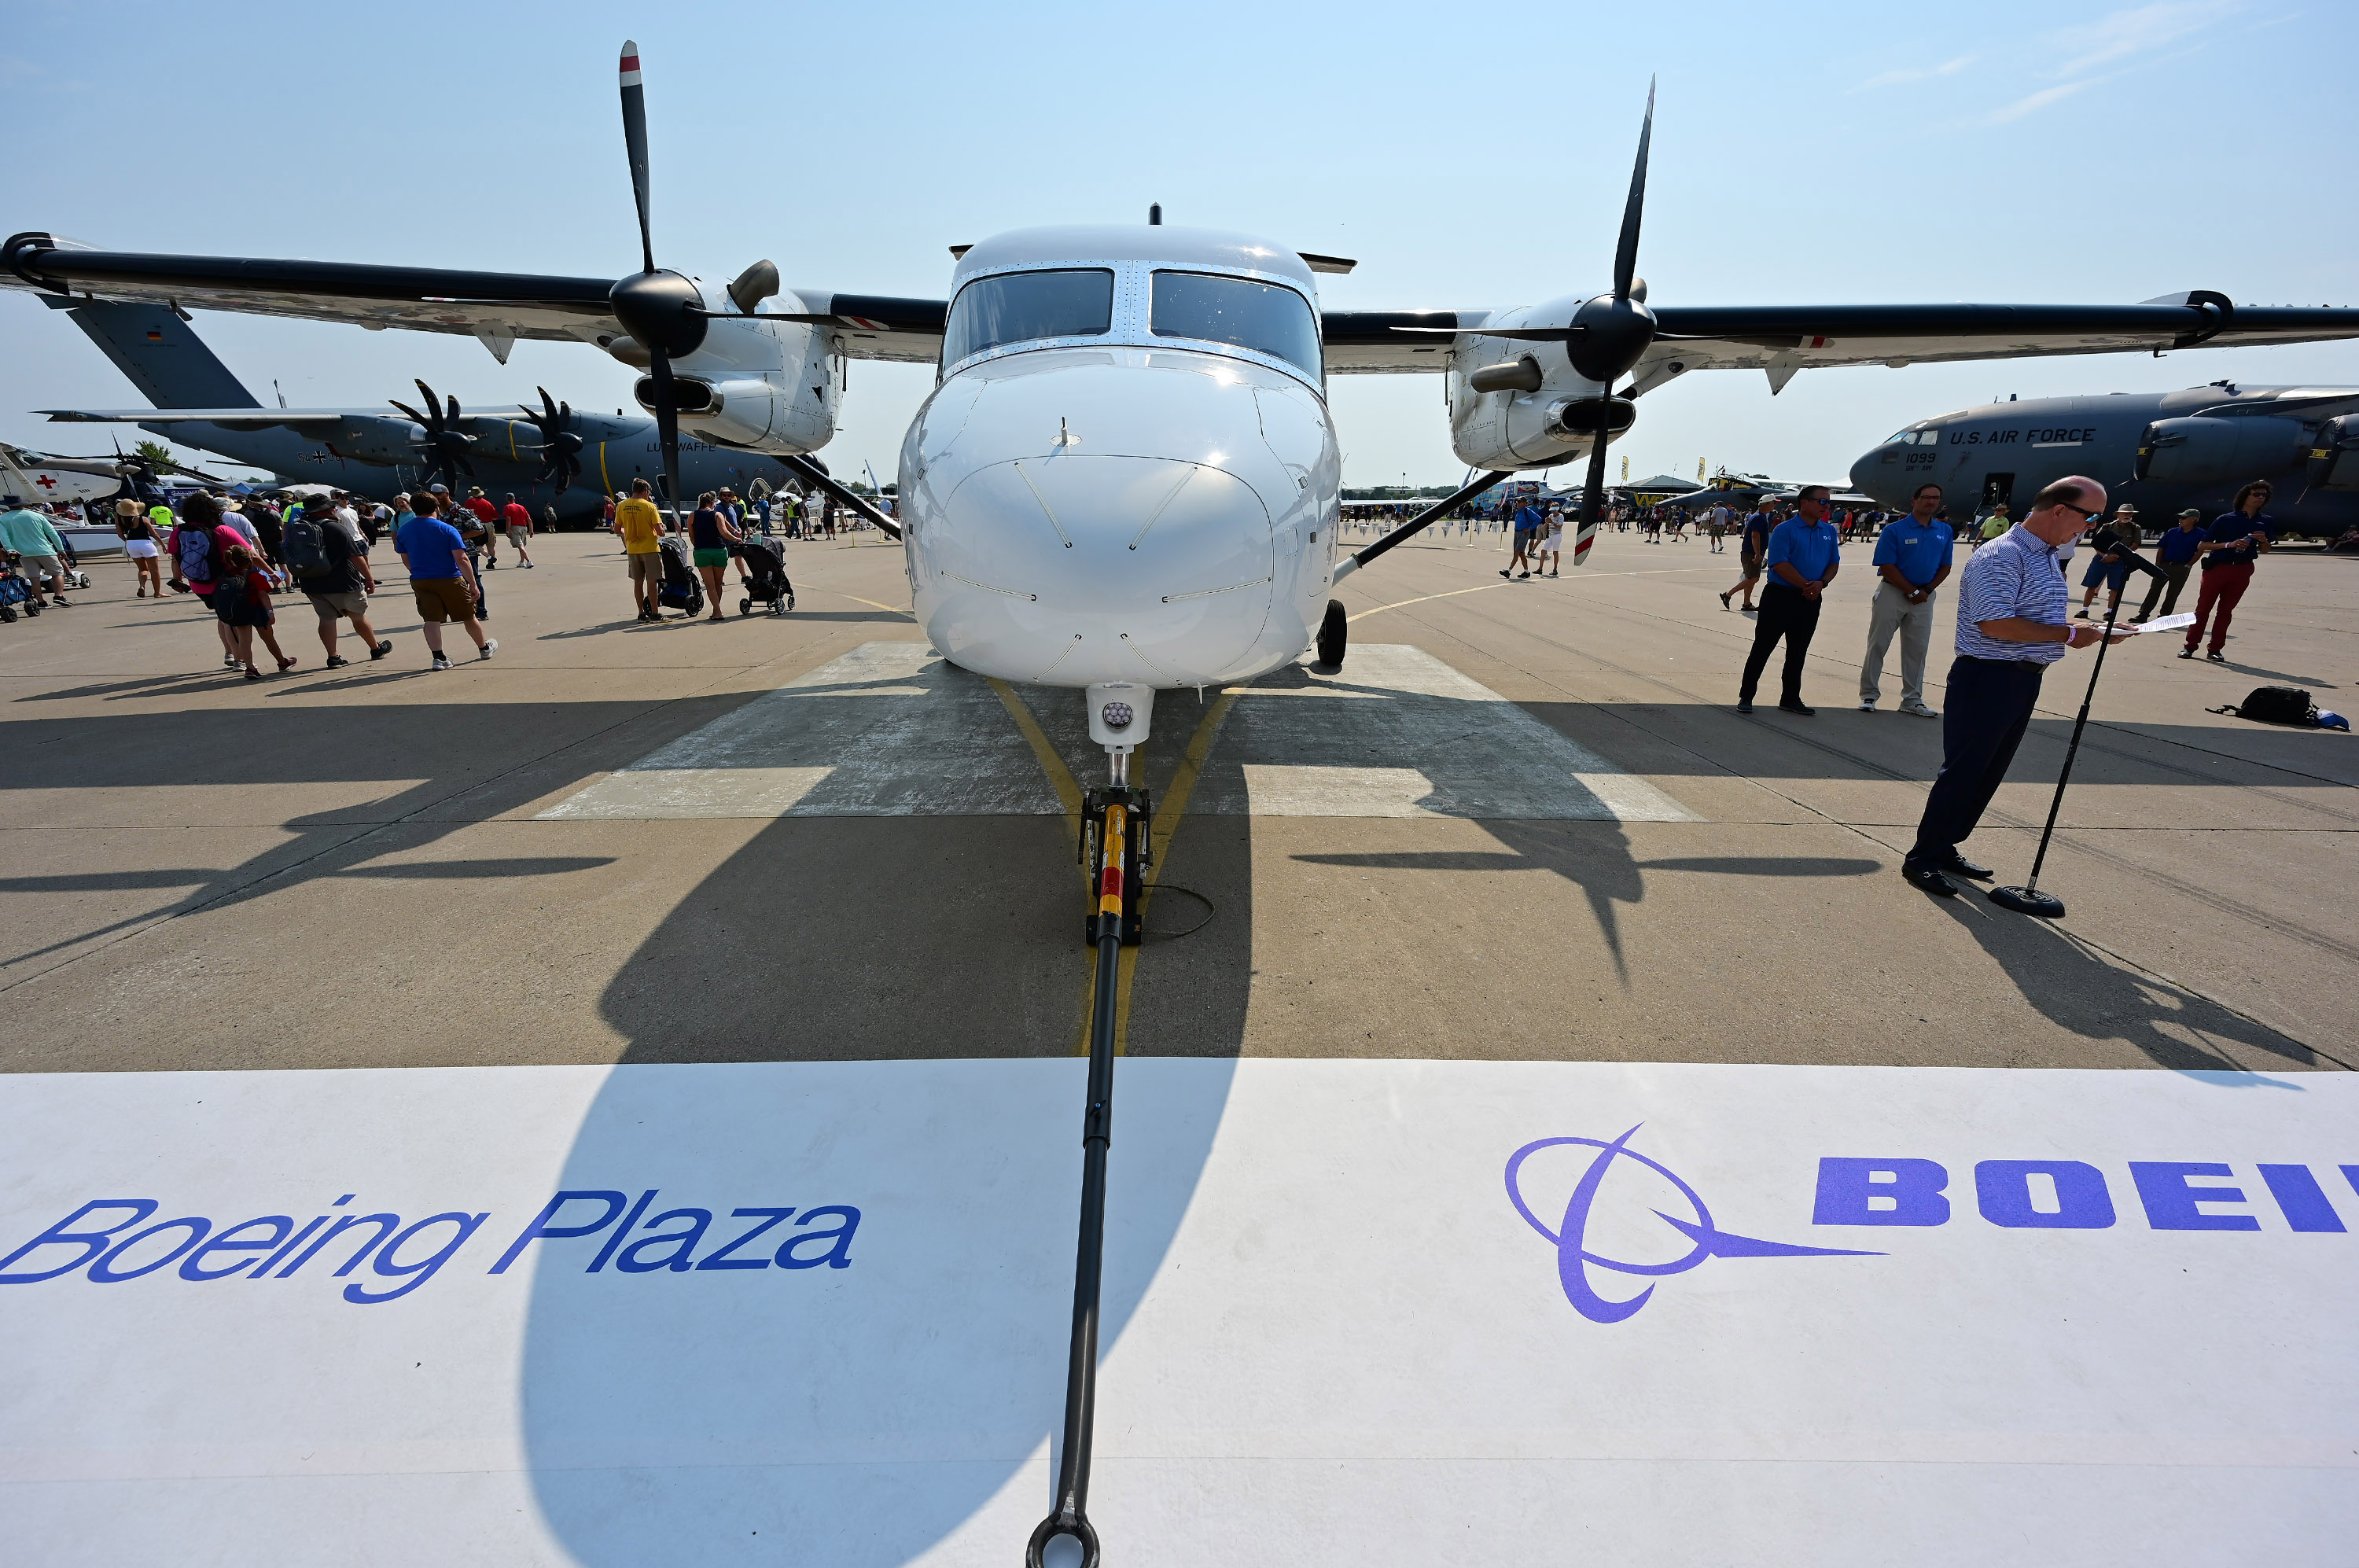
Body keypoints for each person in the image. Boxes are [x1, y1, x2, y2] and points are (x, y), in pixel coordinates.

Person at [1901, 476, 2129, 896]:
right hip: (1987, 677)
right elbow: (1995, 623)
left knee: (1989, 771)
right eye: (2090, 516)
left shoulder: (2045, 554)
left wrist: (2093, 627)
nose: (2093, 526)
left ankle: (1946, 845)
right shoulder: (2003, 555)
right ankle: (1922, 857)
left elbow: (2039, 618)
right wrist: (2070, 635)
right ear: (2060, 510)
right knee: (1964, 771)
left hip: (2021, 679)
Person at [1736, 486, 1841, 715]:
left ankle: (1790, 698)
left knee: (1798, 651)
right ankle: (1747, 695)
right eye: (1822, 502)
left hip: (1811, 598)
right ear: (1805, 502)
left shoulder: (1829, 531)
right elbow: (1780, 564)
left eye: (1828, 502)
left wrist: (1821, 584)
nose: (1827, 506)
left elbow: (1834, 562)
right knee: (1763, 647)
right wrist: (1807, 585)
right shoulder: (1785, 530)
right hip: (1780, 597)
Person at [1858, 483, 1953, 716]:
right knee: (1878, 644)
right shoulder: (1895, 530)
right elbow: (1886, 565)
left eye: (1936, 498)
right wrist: (1911, 591)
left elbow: (1945, 566)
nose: (1931, 502)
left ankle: (1912, 699)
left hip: (1924, 597)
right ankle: (1869, 695)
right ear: (1914, 500)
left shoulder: (1944, 531)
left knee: (1917, 649)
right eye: (1926, 497)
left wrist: (1926, 591)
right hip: (1893, 593)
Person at [396, 492, 495, 670]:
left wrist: (416, 572)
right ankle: (483, 648)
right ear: (436, 508)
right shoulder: (447, 529)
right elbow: (462, 559)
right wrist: (472, 584)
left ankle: (439, 658)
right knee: (468, 615)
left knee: (431, 619)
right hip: (450, 577)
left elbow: (405, 558)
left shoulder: (404, 530)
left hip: (421, 579)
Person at [2181, 479, 2275, 664]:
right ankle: (2190, 647)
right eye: (2256, 494)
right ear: (2245, 497)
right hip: (2218, 568)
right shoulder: (2226, 519)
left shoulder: (2266, 521)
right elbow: (2203, 544)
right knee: (2203, 609)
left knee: (2226, 611)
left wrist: (2264, 541)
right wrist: (2229, 545)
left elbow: (2266, 550)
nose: (2260, 498)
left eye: (2264, 495)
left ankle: (2215, 649)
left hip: (2243, 569)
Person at [290, 496, 392, 666]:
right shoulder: (333, 527)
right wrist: (369, 579)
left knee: (326, 619)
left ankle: (333, 657)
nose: (335, 510)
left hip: (311, 581)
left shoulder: (297, 527)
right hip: (342, 581)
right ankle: (375, 648)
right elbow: (355, 556)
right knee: (358, 616)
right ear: (324, 510)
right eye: (332, 507)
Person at [167, 491, 252, 667]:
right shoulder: (221, 530)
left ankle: (229, 653)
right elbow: (248, 552)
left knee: (222, 617)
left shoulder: (178, 532)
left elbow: (175, 557)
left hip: (198, 583)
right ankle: (239, 659)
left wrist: (177, 580)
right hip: (226, 582)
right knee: (231, 620)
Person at [211, 540, 295, 679]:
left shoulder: (226, 576)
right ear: (249, 560)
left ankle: (249, 668)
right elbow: (263, 595)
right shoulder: (255, 576)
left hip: (239, 612)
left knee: (245, 640)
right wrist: (270, 612)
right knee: (268, 638)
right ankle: (282, 662)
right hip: (257, 610)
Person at [0, 495, 72, 607]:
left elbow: (4, 537)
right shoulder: (36, 515)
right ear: (22, 504)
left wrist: (10, 549)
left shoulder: (3, 519)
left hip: (22, 553)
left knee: (34, 577)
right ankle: (59, 596)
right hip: (44, 549)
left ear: (8, 505)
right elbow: (52, 532)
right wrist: (60, 549)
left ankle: (41, 602)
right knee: (57, 572)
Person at [2136, 506, 2206, 622]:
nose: (2180, 520)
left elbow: (2200, 550)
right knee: (2154, 590)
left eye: (2183, 518)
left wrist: (2189, 564)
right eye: (2180, 518)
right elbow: (2162, 547)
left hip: (2181, 567)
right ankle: (2143, 614)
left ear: (2193, 519)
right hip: (2165, 565)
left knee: (2173, 593)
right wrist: (2158, 564)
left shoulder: (2200, 534)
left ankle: (2164, 617)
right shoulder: (2172, 532)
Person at [686, 491, 745, 620]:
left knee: (710, 585)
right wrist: (736, 538)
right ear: (712, 503)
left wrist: (698, 546)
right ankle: (716, 610)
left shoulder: (692, 516)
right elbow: (724, 532)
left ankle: (717, 611)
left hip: (702, 552)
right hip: (719, 551)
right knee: (718, 584)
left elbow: (692, 536)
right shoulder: (717, 515)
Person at [614, 477, 666, 621]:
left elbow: (618, 529)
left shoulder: (621, 506)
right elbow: (659, 531)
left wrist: (629, 532)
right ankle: (655, 613)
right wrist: (662, 530)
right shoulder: (649, 506)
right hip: (649, 548)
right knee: (652, 581)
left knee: (638, 582)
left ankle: (641, 613)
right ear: (645, 491)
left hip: (632, 549)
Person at [2074, 503, 2137, 620]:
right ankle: (2084, 610)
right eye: (2124, 513)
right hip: (2101, 559)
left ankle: (2109, 612)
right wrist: (2105, 555)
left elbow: (2135, 545)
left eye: (2129, 513)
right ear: (2118, 514)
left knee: (2115, 588)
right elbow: (2097, 542)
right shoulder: (2108, 526)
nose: (2127, 515)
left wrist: (2118, 556)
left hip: (2120, 560)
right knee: (2091, 585)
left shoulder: (2134, 528)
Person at [1721, 502, 1774, 611]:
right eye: (1772, 503)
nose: (1774, 506)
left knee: (1750, 578)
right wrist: (1758, 553)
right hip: (1751, 553)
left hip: (1750, 552)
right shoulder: (1759, 518)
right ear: (1765, 505)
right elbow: (1755, 536)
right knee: (1754, 578)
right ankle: (1728, 594)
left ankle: (1747, 603)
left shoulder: (1759, 516)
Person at [116, 498, 165, 597]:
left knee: (143, 569)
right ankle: (157, 593)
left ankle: (142, 586)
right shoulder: (143, 519)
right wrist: (163, 545)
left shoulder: (120, 520)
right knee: (154, 570)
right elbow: (154, 534)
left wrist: (128, 541)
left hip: (131, 545)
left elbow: (120, 535)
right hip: (145, 544)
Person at [1500, 499, 1541, 579]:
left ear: (1524, 503)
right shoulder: (1518, 511)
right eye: (1517, 502)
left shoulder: (1527, 511)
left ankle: (1509, 571)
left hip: (1523, 533)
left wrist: (1530, 528)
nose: (1518, 504)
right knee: (1521, 553)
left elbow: (1538, 519)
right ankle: (1526, 572)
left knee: (1517, 552)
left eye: (1519, 502)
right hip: (1517, 533)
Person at [500, 491, 536, 569]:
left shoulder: (508, 507)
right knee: (521, 545)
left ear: (507, 499)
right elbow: (529, 519)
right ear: (514, 499)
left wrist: (508, 530)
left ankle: (529, 561)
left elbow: (508, 519)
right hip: (524, 528)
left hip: (515, 528)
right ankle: (522, 562)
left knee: (520, 546)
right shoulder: (521, 507)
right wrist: (531, 530)